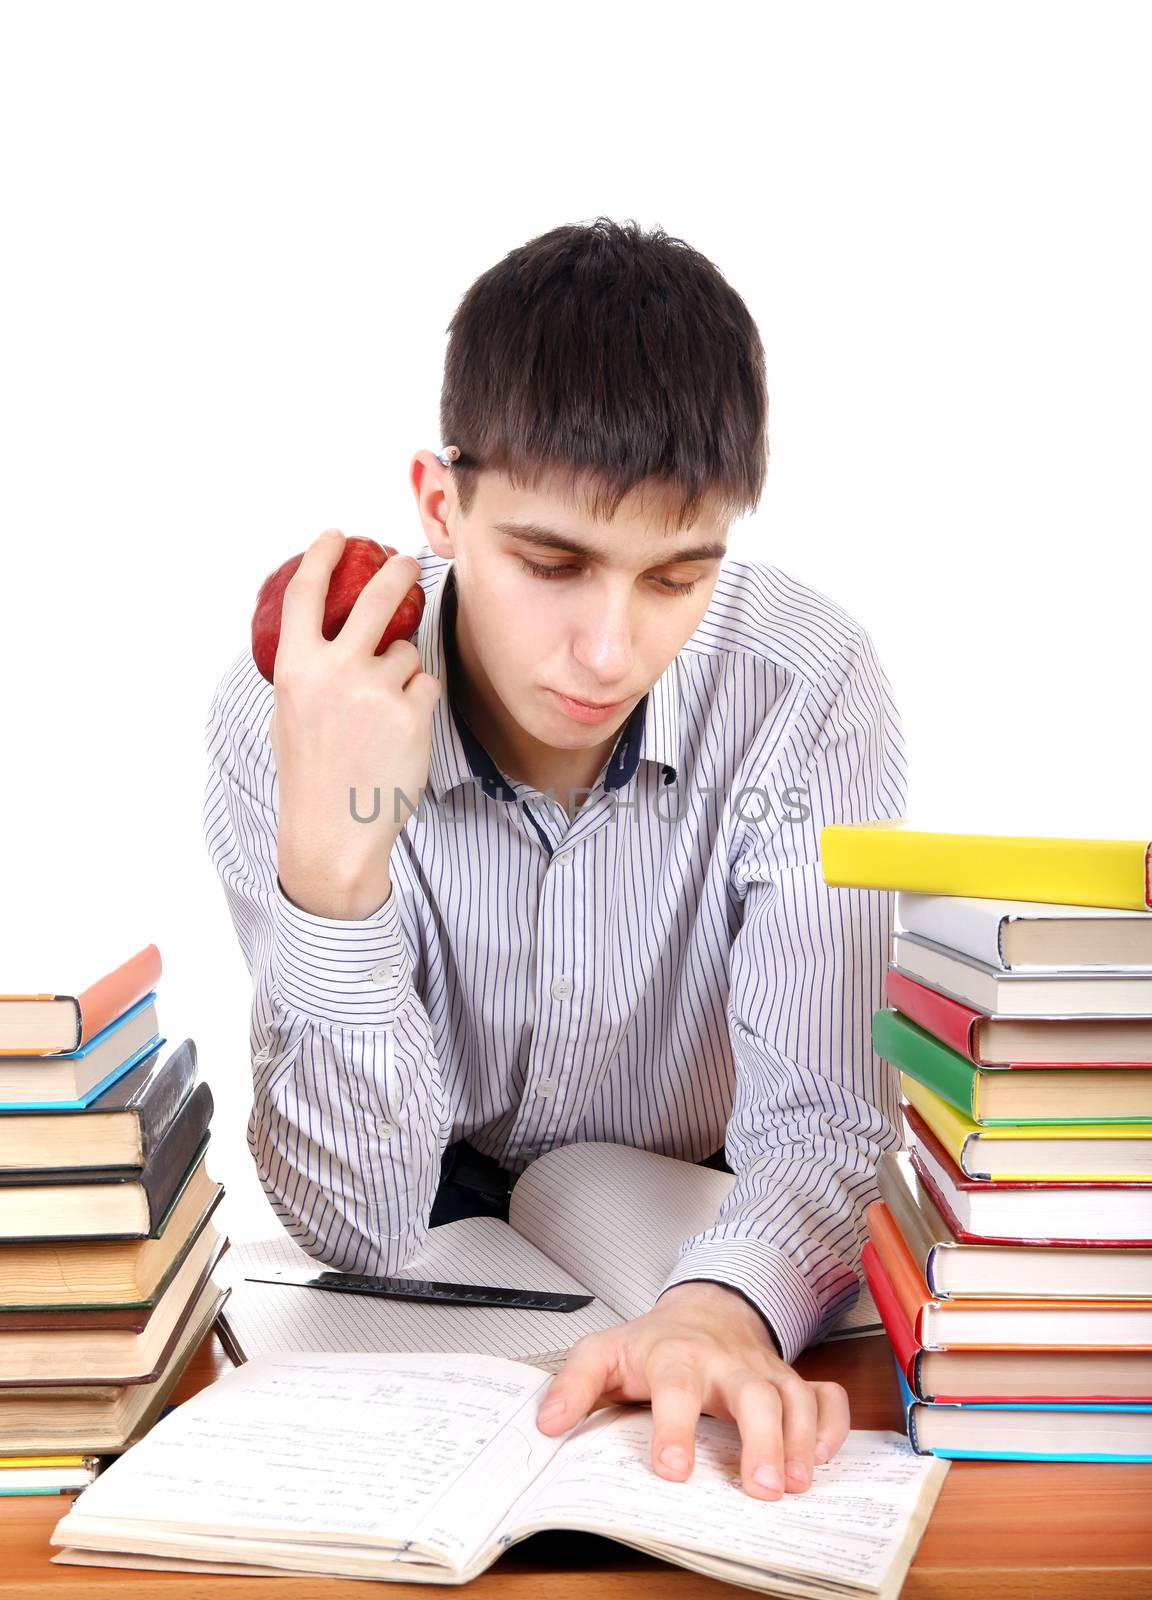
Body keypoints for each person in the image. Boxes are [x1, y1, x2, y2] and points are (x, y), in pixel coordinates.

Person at [203, 216, 908, 1505]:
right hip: (440, 1251)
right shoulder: (298, 717)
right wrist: (336, 878)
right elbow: (356, 1223)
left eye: (676, 578)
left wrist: (722, 1314)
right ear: (440, 503)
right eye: (552, 563)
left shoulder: (807, 690)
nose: (608, 651)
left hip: (691, 1217)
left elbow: (825, 1117)